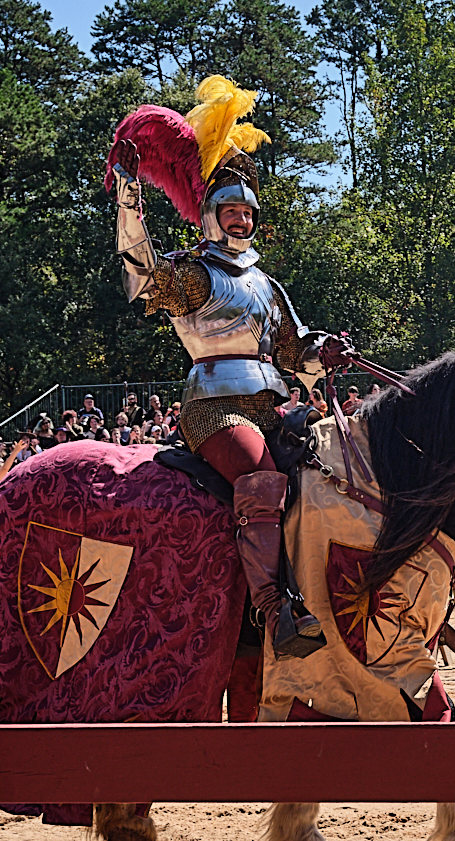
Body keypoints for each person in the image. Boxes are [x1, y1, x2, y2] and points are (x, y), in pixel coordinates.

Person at [109, 76, 333, 640]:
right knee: (259, 476)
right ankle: (274, 609)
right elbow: (140, 276)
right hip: (216, 408)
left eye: (247, 212)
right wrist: (130, 198)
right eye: (229, 210)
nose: (241, 219)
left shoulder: (266, 284)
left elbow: (296, 354)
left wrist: (321, 352)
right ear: (208, 215)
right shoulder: (193, 274)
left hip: (274, 404)